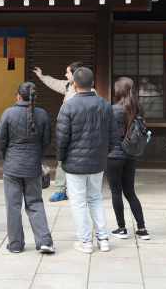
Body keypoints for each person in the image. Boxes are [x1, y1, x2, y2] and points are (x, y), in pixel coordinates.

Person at [56, 67, 115, 254]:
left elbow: (61, 138)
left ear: (74, 84)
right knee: (96, 198)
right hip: (98, 161)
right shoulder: (104, 105)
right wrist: (105, 153)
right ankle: (103, 239)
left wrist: (61, 158)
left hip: (74, 163)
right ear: (92, 84)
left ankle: (85, 242)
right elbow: (114, 135)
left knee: (79, 202)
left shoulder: (69, 106)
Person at [0, 82, 55, 254]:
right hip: (33, 166)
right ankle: (45, 241)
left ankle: (15, 244)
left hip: (12, 166)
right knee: (35, 203)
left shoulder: (8, 113)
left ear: (18, 96)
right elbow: (46, 141)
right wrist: (37, 156)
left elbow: (1, 141)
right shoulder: (42, 114)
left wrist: (6, 158)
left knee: (13, 206)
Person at [33, 61, 85, 203]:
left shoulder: (88, 91)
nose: (65, 74)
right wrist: (42, 76)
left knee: (81, 161)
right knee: (62, 159)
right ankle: (61, 190)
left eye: (67, 72)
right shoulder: (68, 86)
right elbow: (54, 83)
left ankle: (80, 191)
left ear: (75, 75)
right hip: (66, 131)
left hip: (81, 133)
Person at [107, 77, 150, 241]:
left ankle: (122, 228)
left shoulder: (112, 110)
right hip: (131, 155)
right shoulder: (137, 109)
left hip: (114, 156)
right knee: (130, 192)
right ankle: (142, 228)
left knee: (116, 192)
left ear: (118, 91)